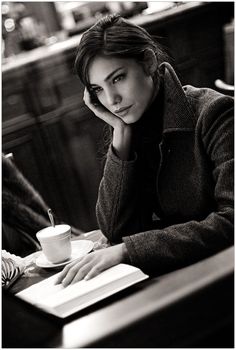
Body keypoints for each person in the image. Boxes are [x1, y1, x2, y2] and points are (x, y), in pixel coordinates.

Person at [56, 14, 234, 286]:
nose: (111, 100)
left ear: (149, 61)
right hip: (175, 277)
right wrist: (121, 134)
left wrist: (129, 250)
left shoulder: (214, 113)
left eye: (117, 79)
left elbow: (230, 222)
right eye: (98, 89)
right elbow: (114, 228)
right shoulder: (131, 125)